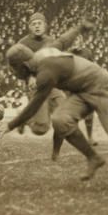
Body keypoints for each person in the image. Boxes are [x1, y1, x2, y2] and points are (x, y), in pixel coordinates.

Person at [2, 45, 108, 189]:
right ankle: (94, 158)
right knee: (60, 120)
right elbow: (59, 46)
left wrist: (11, 125)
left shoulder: (46, 73)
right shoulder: (39, 58)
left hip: (101, 87)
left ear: (23, 65)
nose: (14, 73)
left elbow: (35, 105)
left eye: (14, 68)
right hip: (81, 91)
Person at [10, 13, 95, 160]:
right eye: (34, 24)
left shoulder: (51, 41)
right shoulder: (22, 44)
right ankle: (24, 118)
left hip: (53, 85)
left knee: (63, 118)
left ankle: (56, 152)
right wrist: (28, 76)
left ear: (45, 25)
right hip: (36, 86)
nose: (37, 26)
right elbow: (14, 67)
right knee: (40, 129)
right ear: (29, 27)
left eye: (40, 23)